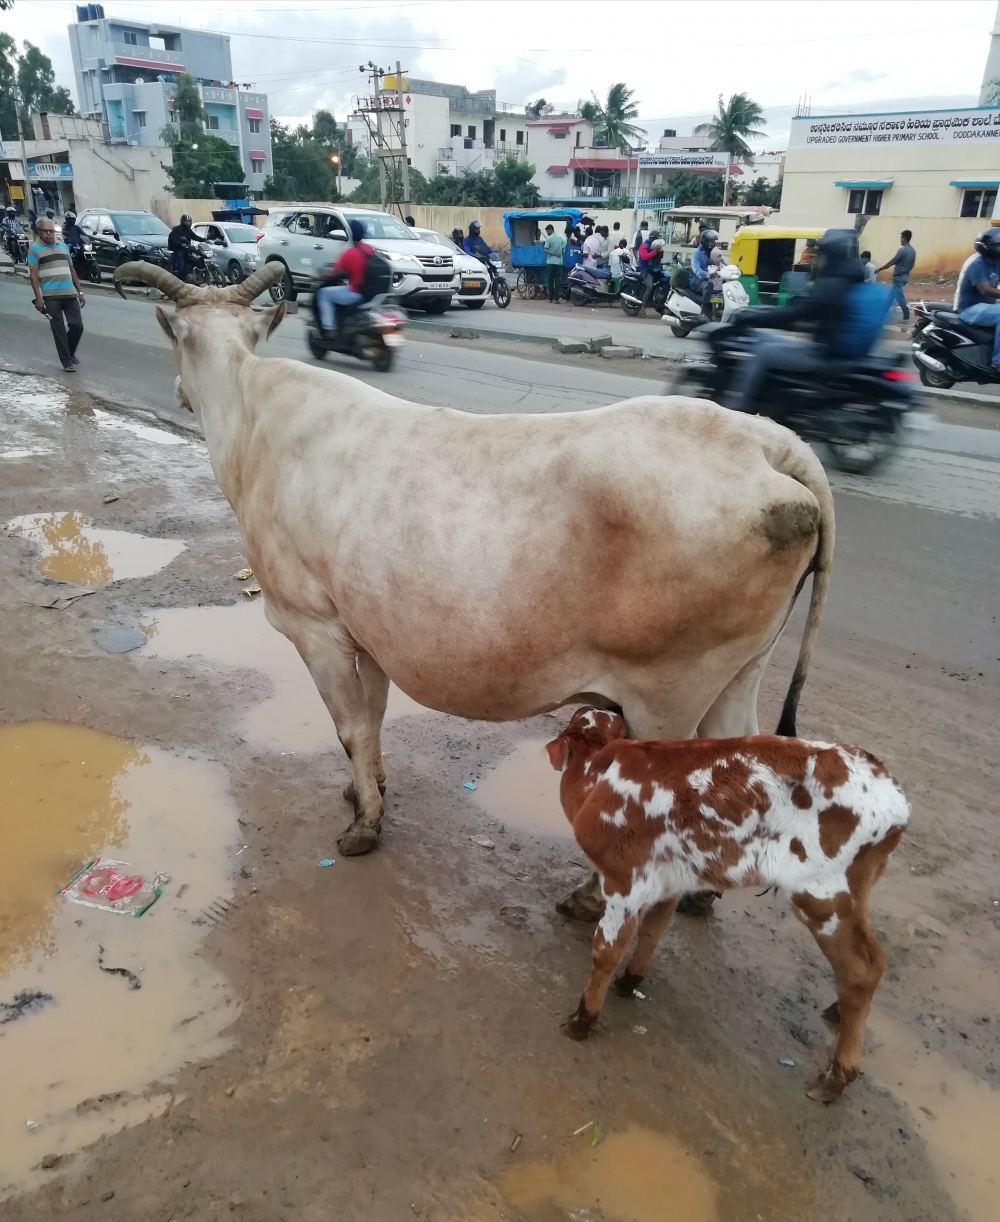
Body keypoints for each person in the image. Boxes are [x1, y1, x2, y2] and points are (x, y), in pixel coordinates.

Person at [725, 230, 867, 412]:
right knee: (769, 339)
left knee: (762, 352)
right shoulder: (848, 279)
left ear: (831, 254)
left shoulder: (834, 285)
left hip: (824, 353)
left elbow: (800, 313)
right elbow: (805, 310)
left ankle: (738, 411)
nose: (818, 260)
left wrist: (754, 317)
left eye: (821, 254)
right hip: (831, 348)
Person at [28, 214, 86, 372]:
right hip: (51, 296)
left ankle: (69, 352)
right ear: (39, 231)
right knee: (58, 329)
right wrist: (38, 298)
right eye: (45, 231)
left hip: (69, 294)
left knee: (77, 326)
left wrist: (80, 291)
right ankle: (66, 361)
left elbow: (71, 269)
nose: (49, 234)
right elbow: (33, 275)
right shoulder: (34, 249)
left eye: (51, 231)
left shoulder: (62, 246)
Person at [314, 218, 373, 336]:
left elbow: (334, 273)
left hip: (355, 292)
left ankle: (330, 329)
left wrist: (318, 277)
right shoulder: (369, 250)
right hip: (369, 292)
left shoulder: (350, 253)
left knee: (323, 293)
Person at [953, 227, 1000, 372]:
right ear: (988, 246)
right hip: (969, 308)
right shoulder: (976, 264)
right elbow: (984, 289)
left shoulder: (997, 261)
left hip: (986, 307)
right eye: (998, 245)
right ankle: (997, 362)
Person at [876, 229, 916, 323]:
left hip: (898, 276)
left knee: (899, 297)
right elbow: (912, 265)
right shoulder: (913, 251)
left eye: (901, 238)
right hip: (905, 276)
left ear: (904, 238)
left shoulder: (902, 250)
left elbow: (892, 261)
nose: (900, 240)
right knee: (891, 296)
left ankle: (906, 317)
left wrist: (880, 269)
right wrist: (906, 271)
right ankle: (882, 314)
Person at [688, 227, 719, 315]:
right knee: (708, 286)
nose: (713, 243)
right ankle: (704, 311)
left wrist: (732, 269)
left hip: (711, 278)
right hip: (696, 280)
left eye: (714, 241)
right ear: (705, 241)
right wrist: (708, 275)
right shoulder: (697, 253)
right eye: (711, 241)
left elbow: (721, 262)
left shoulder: (712, 252)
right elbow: (696, 270)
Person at [636, 228, 665, 317]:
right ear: (653, 239)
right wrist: (655, 252)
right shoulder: (644, 246)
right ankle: (642, 309)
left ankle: (660, 305)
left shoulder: (656, 247)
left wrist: (660, 252)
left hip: (654, 270)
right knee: (649, 287)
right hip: (645, 270)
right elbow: (645, 257)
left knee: (665, 282)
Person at [542, 223, 566, 302]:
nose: (547, 233)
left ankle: (550, 298)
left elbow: (545, 250)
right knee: (558, 280)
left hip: (551, 262)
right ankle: (556, 299)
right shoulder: (560, 239)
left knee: (550, 280)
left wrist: (553, 254)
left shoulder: (549, 239)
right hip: (559, 262)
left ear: (551, 230)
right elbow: (563, 250)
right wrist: (559, 255)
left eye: (547, 231)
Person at [168, 213, 195, 281]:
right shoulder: (177, 229)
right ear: (183, 221)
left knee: (195, 258)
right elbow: (173, 239)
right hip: (178, 249)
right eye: (187, 221)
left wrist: (205, 239)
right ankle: (180, 278)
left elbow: (195, 236)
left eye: (189, 221)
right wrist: (181, 244)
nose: (188, 223)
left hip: (186, 249)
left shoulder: (188, 230)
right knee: (181, 263)